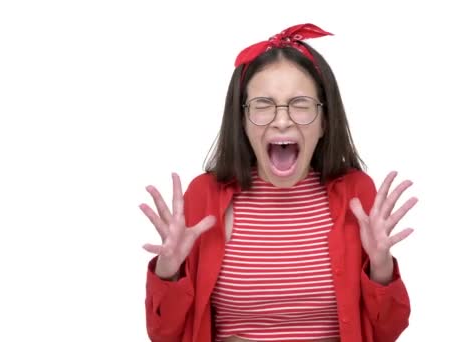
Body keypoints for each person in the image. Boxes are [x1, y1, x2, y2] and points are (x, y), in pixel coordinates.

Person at [140, 23, 418, 342]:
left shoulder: (357, 194)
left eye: (300, 105)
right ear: (241, 120)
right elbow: (164, 334)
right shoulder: (204, 196)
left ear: (325, 120)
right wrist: (169, 272)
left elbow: (388, 331)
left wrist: (381, 269)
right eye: (262, 105)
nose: (282, 120)